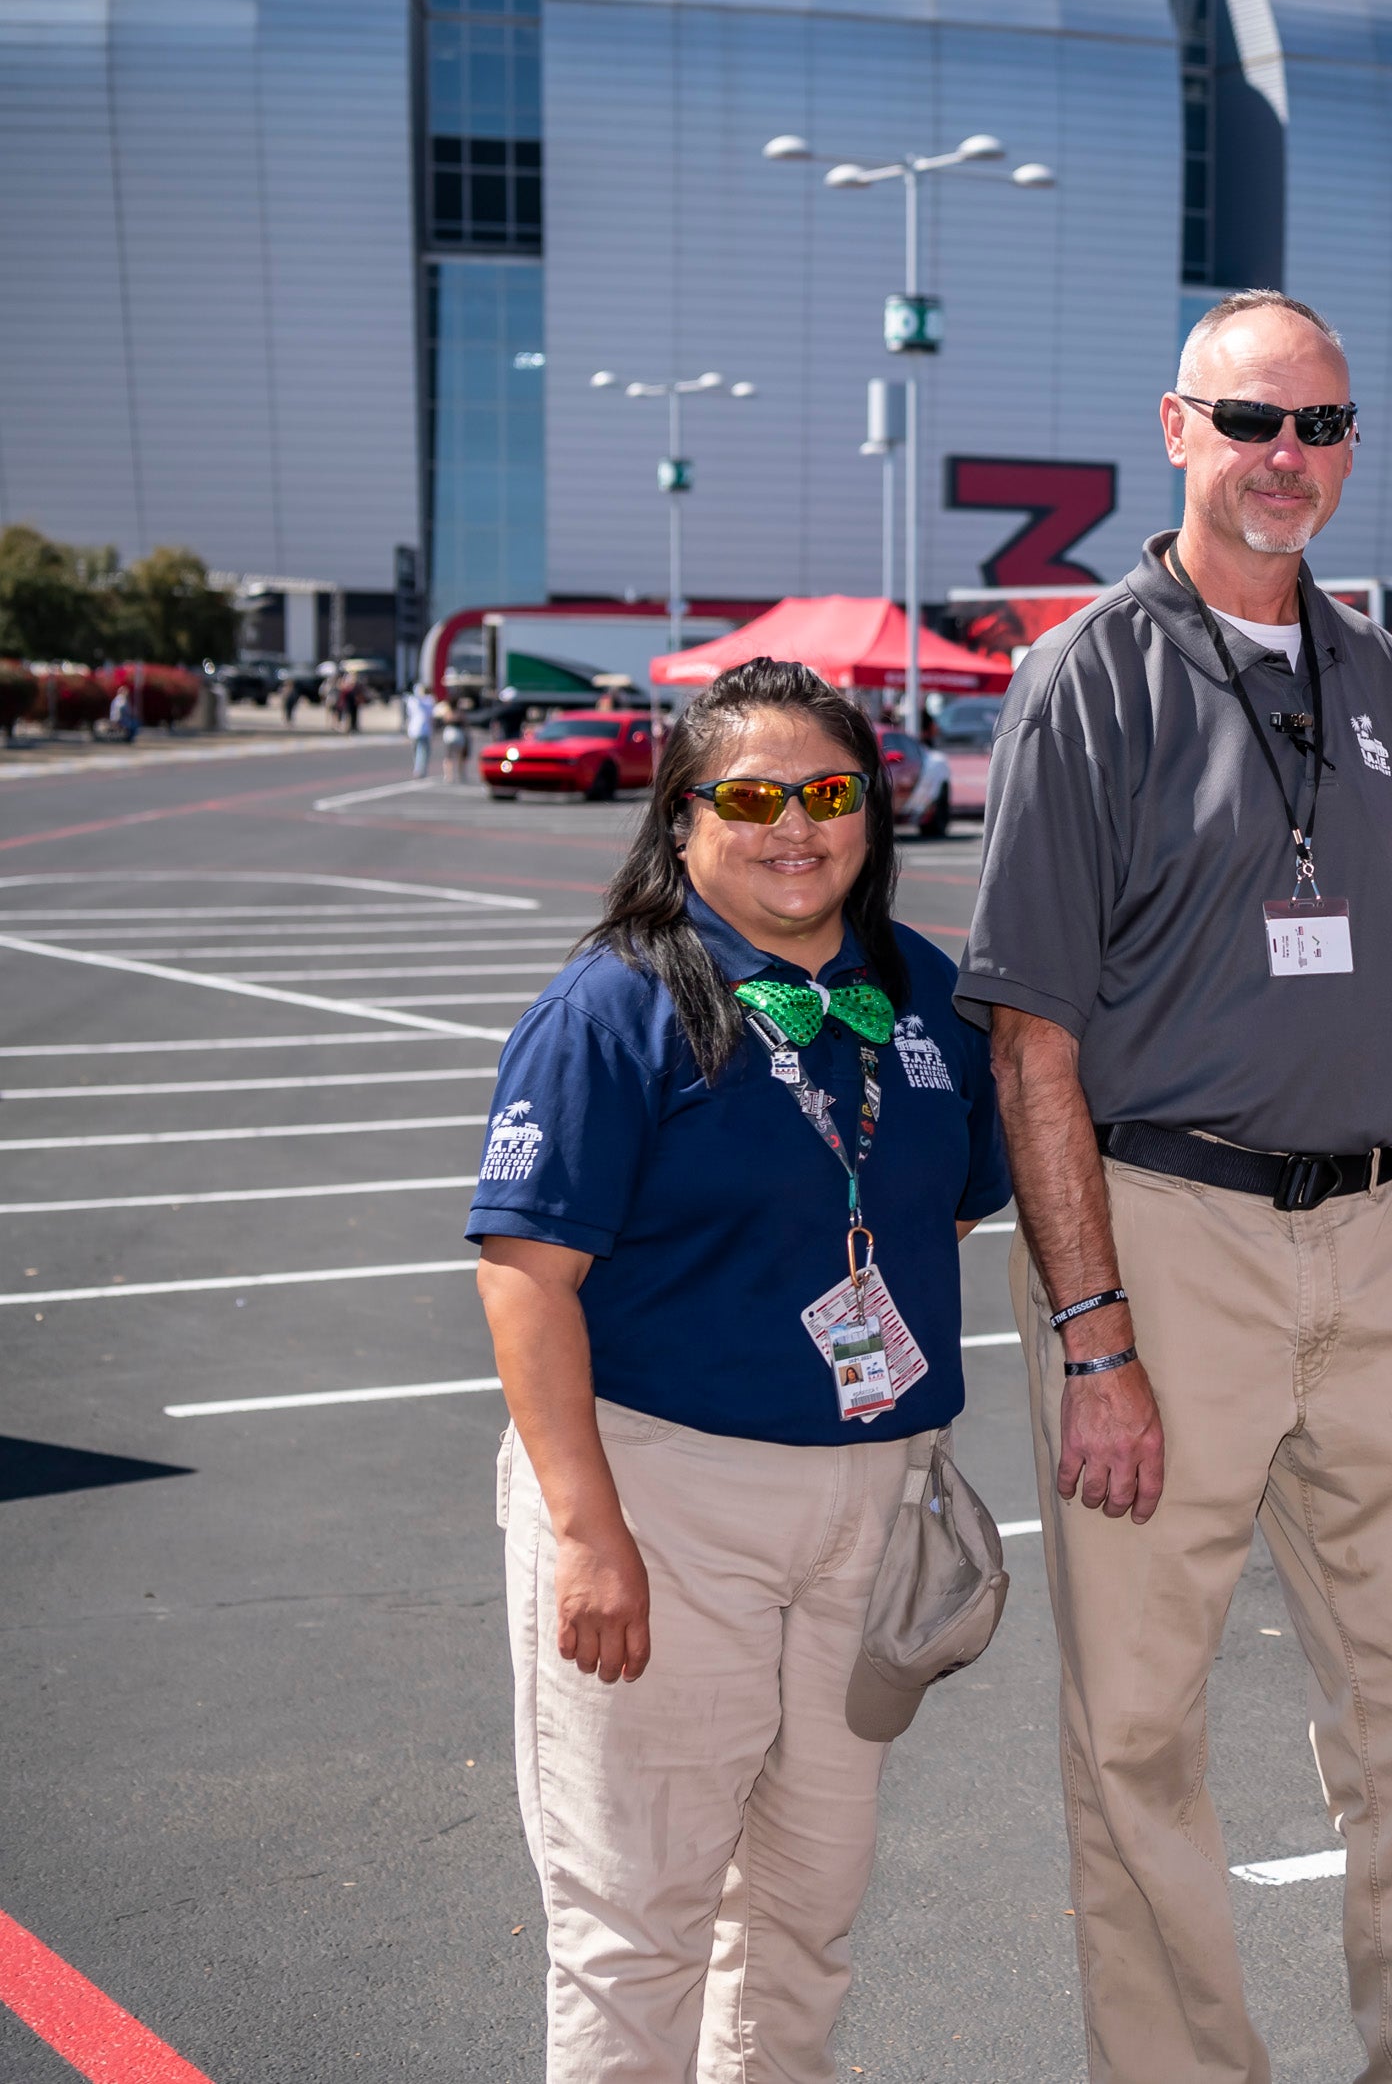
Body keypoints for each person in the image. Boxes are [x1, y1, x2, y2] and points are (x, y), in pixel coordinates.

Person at [958, 289, 1392, 2084]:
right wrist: (1094, 1332)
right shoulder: (1088, 675)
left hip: (1374, 1237)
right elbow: (1032, 1036)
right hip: (1168, 1235)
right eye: (1255, 421)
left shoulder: (1377, 681)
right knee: (1137, 1727)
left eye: (1325, 427)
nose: (1291, 459)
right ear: (1178, 427)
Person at [471, 658, 1011, 2081]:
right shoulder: (612, 1006)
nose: (795, 826)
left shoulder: (926, 995)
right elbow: (525, 1279)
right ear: (684, 817)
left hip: (870, 1505)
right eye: (752, 795)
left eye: (828, 793)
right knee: (635, 1916)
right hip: (663, 1503)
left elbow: (947, 1199)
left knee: (803, 1914)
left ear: (871, 814)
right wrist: (589, 1535)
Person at [406, 681, 437, 778]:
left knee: (418, 751)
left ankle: (418, 769)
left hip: (414, 730)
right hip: (423, 730)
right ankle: (419, 770)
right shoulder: (428, 701)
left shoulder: (413, 700)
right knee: (422, 751)